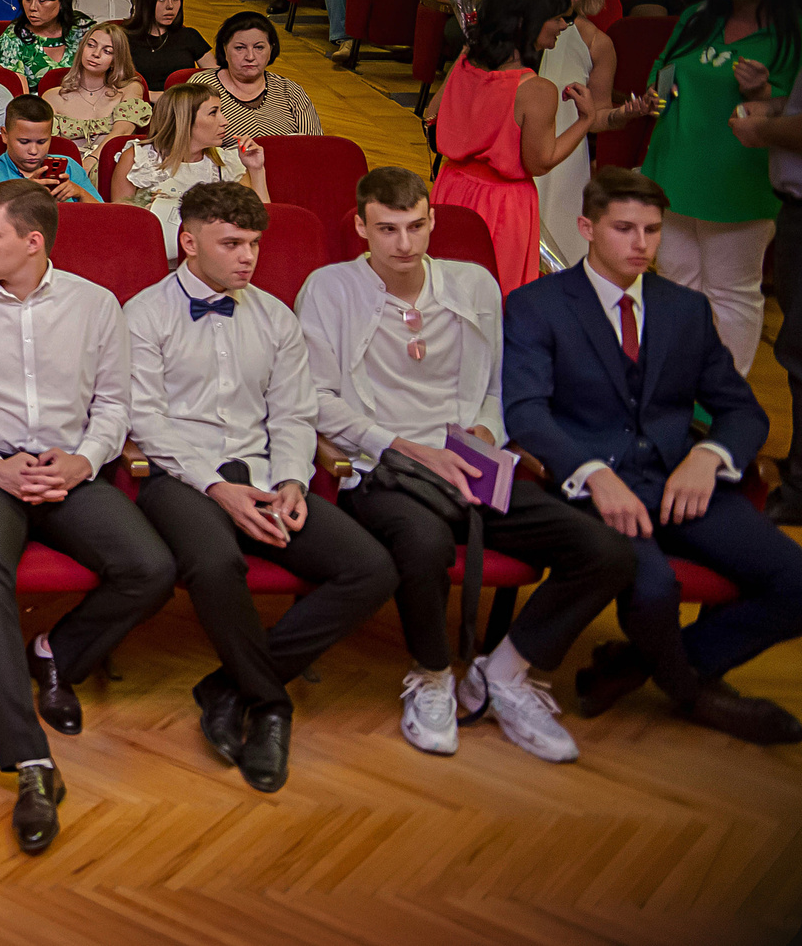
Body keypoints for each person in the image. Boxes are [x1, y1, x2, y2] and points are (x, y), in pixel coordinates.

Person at [301, 167, 635, 761]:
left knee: (605, 551)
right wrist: (403, 445)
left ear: (432, 221)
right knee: (423, 545)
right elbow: (319, 399)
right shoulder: (330, 288)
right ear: (361, 228)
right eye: (387, 229)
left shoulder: (473, 284)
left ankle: (505, 671)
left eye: (416, 226)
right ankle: (431, 676)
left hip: (470, 459)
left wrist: (485, 432)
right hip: (384, 464)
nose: (404, 244)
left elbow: (498, 381)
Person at [499, 167, 802, 744]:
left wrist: (709, 455)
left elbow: (743, 411)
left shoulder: (684, 309)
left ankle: (637, 666)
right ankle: (691, 693)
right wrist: (591, 475)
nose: (641, 244)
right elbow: (527, 413)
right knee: (654, 587)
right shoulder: (537, 305)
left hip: (682, 483)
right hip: (594, 493)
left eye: (653, 230)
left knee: (796, 581)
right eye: (624, 229)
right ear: (587, 227)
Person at [0, 181, 174, 852]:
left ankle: (57, 653)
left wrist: (84, 461)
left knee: (149, 567)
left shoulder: (95, 305)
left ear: (33, 242)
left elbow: (115, 404)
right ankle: (30, 760)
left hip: (67, 466)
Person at [126, 180, 397, 794]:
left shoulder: (275, 316)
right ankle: (272, 706)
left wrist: (295, 482)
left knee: (371, 568)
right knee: (215, 563)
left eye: (253, 243)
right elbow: (148, 422)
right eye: (231, 243)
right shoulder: (143, 314)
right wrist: (219, 488)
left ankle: (229, 686)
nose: (248, 257)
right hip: (182, 477)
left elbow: (294, 414)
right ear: (188, 242)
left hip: (267, 470)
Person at [640, 0, 796, 374]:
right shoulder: (698, 15)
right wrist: (658, 99)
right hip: (674, 163)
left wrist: (766, 89)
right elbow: (665, 69)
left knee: (731, 290)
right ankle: (678, 390)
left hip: (740, 176)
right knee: (676, 282)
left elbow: (795, 106)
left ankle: (724, 400)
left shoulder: (792, 31)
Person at [433, 0, 643, 292]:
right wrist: (584, 120)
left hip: (451, 187)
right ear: (528, 21)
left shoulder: (466, 63)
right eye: (557, 17)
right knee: (495, 297)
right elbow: (540, 162)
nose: (563, 25)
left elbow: (434, 117)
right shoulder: (535, 89)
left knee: (445, 289)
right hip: (502, 201)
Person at [113, 83, 271, 249]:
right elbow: (122, 225)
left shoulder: (228, 163)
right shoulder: (137, 158)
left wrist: (256, 169)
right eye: (213, 113)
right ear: (184, 119)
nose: (224, 121)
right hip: (152, 256)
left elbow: (259, 224)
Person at [190, 12, 323, 138]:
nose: (250, 56)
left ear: (271, 49)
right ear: (225, 49)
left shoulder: (290, 90)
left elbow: (315, 147)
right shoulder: (202, 86)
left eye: (259, 47)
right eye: (240, 48)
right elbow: (184, 143)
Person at [0, 96, 98, 203]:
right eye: (24, 142)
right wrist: (25, 193)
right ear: (5, 135)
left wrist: (80, 193)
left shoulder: (69, 167)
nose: (33, 150)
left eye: (42, 142)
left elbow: (105, 217)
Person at [41, 23, 152, 146]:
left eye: (107, 51)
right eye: (91, 45)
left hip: (112, 162)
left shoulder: (130, 89)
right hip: (70, 163)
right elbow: (53, 148)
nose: (96, 54)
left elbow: (122, 132)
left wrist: (93, 159)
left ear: (116, 61)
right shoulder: (52, 97)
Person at [0, 0, 90, 81]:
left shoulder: (83, 28)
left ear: (62, 1)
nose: (32, 7)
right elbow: (16, 91)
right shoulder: (14, 36)